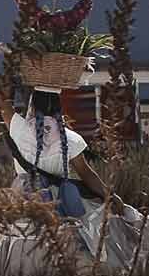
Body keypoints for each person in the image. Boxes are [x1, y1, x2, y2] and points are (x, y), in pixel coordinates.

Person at [7, 89, 117, 217]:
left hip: (22, 206)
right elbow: (87, 174)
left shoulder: (19, 130)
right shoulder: (71, 139)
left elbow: (2, 102)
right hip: (57, 208)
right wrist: (111, 197)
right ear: (59, 108)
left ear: (32, 107)